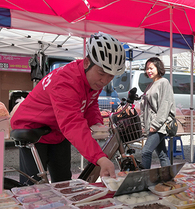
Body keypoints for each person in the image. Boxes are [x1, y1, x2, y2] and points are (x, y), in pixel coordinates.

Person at [10, 32, 126, 184]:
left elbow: (90, 104)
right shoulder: (65, 82)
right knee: (34, 187)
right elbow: (72, 123)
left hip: (56, 129)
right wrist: (100, 158)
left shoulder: (93, 81)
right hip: (32, 126)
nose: (104, 80)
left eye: (111, 76)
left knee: (64, 182)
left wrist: (96, 123)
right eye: (101, 73)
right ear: (86, 63)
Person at [140, 57, 176, 169]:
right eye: (147, 69)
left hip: (159, 126)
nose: (148, 71)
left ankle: (144, 180)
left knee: (146, 152)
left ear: (158, 68)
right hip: (152, 125)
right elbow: (144, 108)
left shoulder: (163, 83)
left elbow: (165, 105)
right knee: (162, 154)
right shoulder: (150, 85)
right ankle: (169, 178)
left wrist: (155, 124)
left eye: (151, 68)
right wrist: (143, 124)